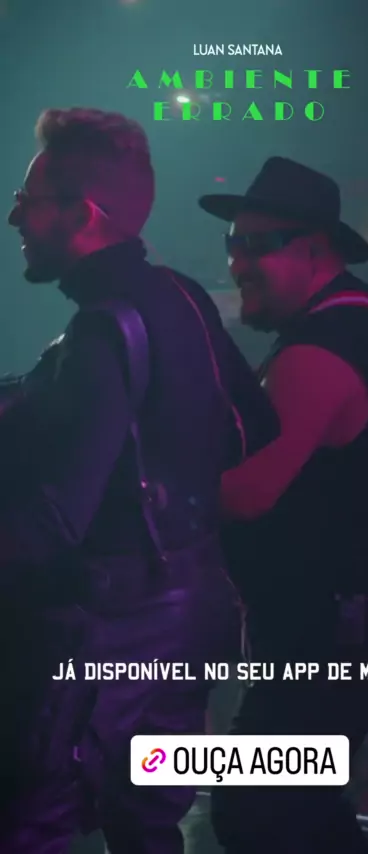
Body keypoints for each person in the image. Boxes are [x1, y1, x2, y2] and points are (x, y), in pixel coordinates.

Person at [0, 108, 278, 853]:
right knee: (150, 830)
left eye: (28, 201)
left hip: (105, 632)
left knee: (30, 825)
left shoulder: (100, 328)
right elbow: (255, 426)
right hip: (191, 615)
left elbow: (54, 520)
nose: (15, 217)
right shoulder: (181, 295)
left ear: (83, 215)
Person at [198, 156, 368, 854]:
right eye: (232, 243)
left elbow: (243, 493)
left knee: (258, 807)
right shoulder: (344, 327)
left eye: (259, 245)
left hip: (340, 632)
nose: (238, 262)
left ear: (315, 251)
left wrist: (142, 480)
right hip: (343, 627)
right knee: (287, 805)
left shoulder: (325, 348)